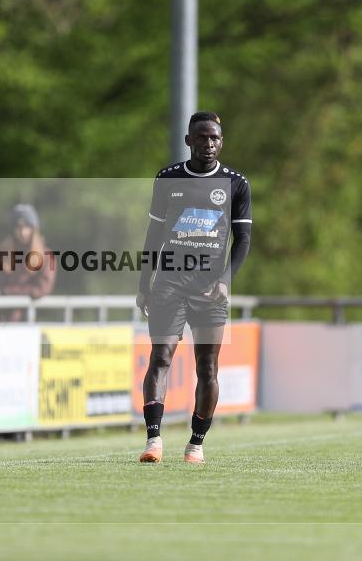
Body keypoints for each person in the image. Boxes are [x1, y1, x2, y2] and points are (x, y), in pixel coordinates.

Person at [136, 111, 252, 464]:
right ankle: (153, 441)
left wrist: (224, 281)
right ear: (189, 141)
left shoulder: (236, 183)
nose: (208, 144)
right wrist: (144, 284)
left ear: (221, 141)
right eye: (201, 138)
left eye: (215, 138)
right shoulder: (168, 178)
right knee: (160, 358)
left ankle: (196, 444)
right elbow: (154, 236)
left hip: (209, 290)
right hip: (170, 284)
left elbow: (243, 237)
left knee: (208, 368)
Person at [0, 203, 55, 321]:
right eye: (19, 227)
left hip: (27, 322)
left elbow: (41, 289)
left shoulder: (46, 257)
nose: (23, 232)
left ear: (34, 229)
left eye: (27, 227)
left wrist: (4, 292)